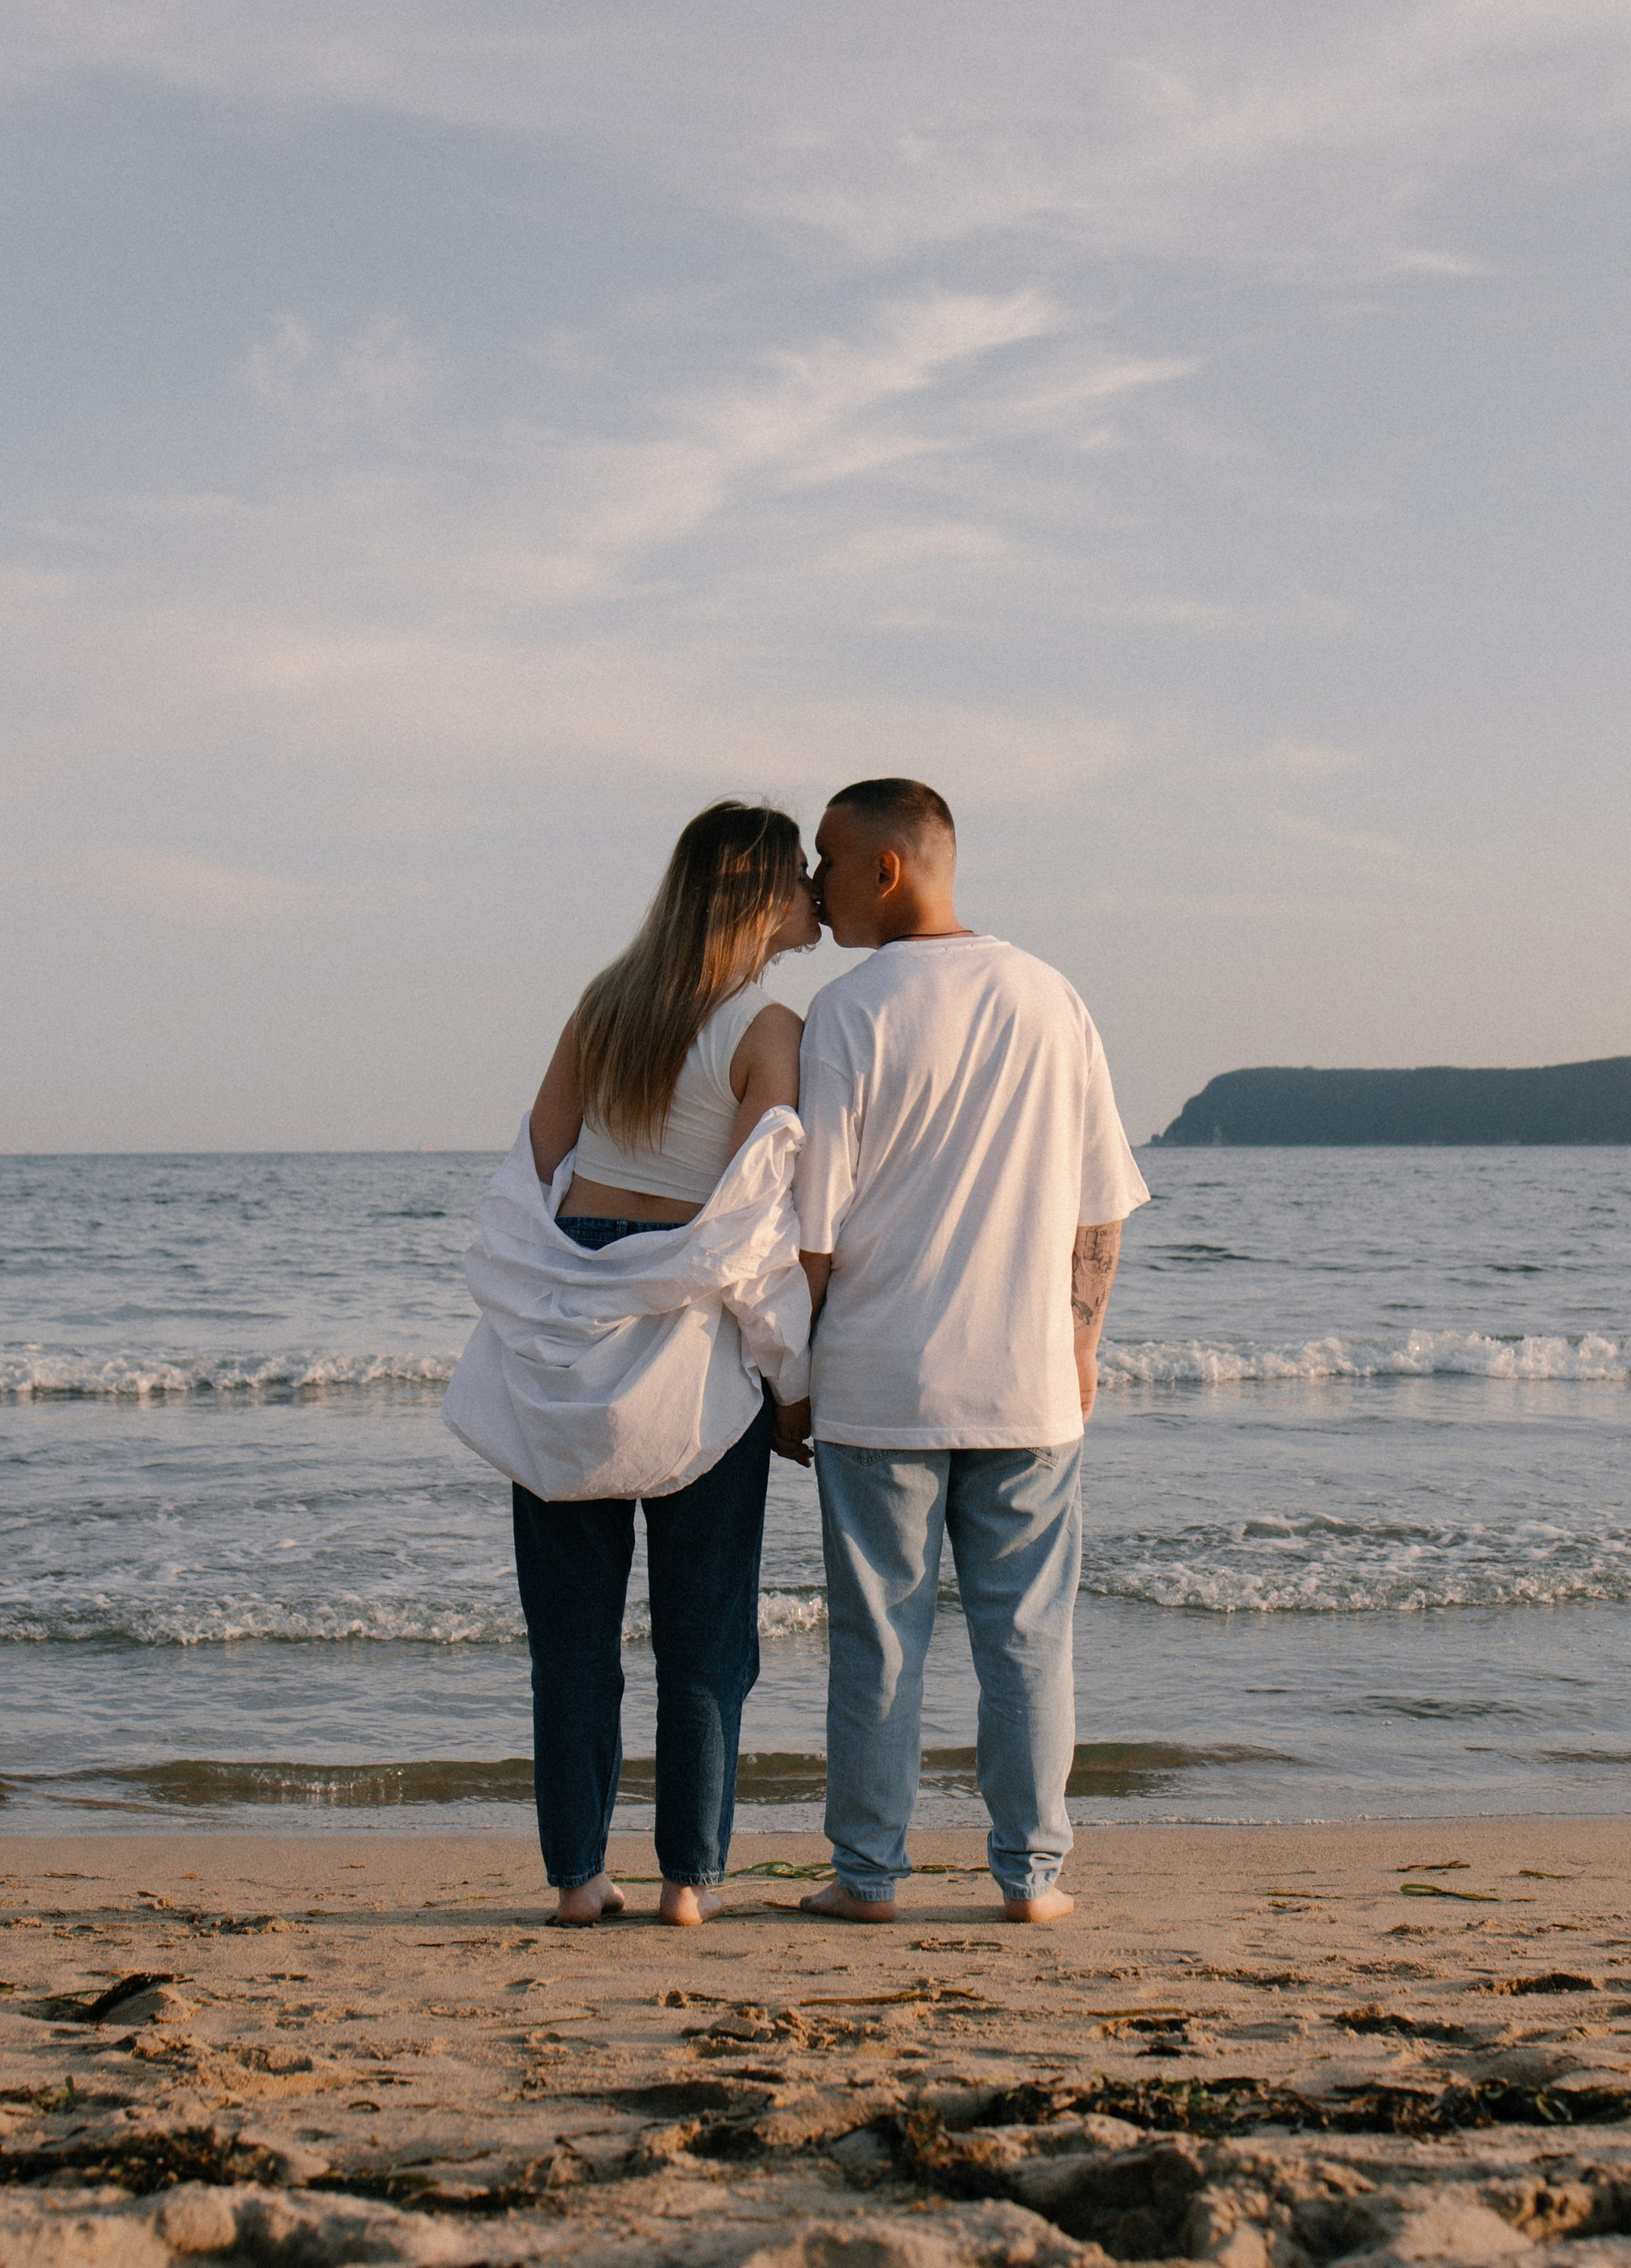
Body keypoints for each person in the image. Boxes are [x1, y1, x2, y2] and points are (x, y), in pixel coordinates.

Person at [777, 777, 1148, 1926]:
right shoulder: (1051, 996)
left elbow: (814, 1228)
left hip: (881, 1381)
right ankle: (1032, 1877)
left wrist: (792, 1374)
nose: (814, 886)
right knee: (1027, 1638)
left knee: (879, 1641)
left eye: (827, 860)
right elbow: (1100, 1208)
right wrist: (1082, 1344)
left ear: (886, 869)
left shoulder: (849, 1011)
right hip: (1027, 1381)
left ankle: (868, 1877)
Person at [443, 803, 818, 1928]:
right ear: (760, 896)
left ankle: (576, 1878)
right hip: (689, 1343)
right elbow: (752, 1234)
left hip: (570, 1323)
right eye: (798, 875)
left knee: (571, 1642)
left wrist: (560, 1295)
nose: (814, 891)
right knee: (706, 1637)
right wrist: (792, 1384)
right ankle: (688, 1882)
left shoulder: (601, 1006)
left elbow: (534, 1171)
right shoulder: (769, 1029)